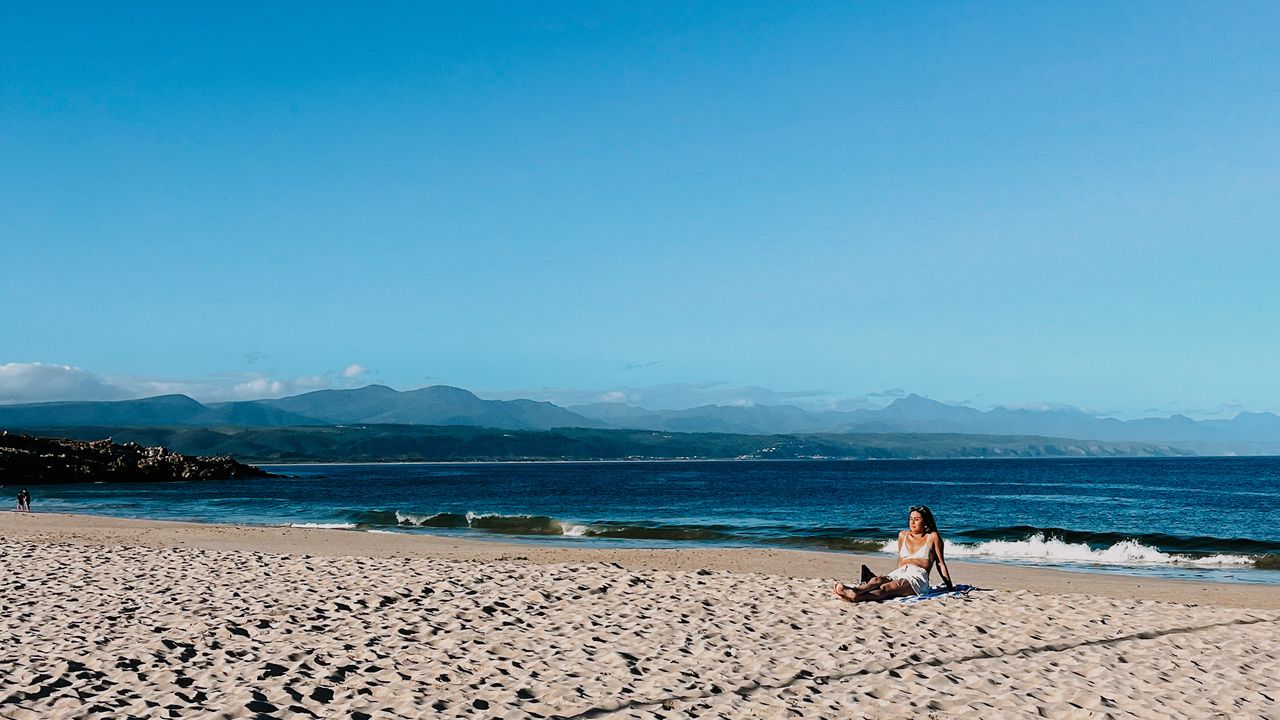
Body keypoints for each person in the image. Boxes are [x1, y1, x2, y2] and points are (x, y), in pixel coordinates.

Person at [832, 505, 954, 602]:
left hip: (917, 577)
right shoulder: (903, 535)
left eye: (917, 519)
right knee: (877, 580)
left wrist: (950, 587)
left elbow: (940, 564)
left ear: (926, 521)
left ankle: (854, 596)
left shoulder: (932, 537)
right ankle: (854, 591)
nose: (912, 523)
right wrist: (895, 576)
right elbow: (901, 560)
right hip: (901, 572)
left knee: (886, 588)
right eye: (911, 519)